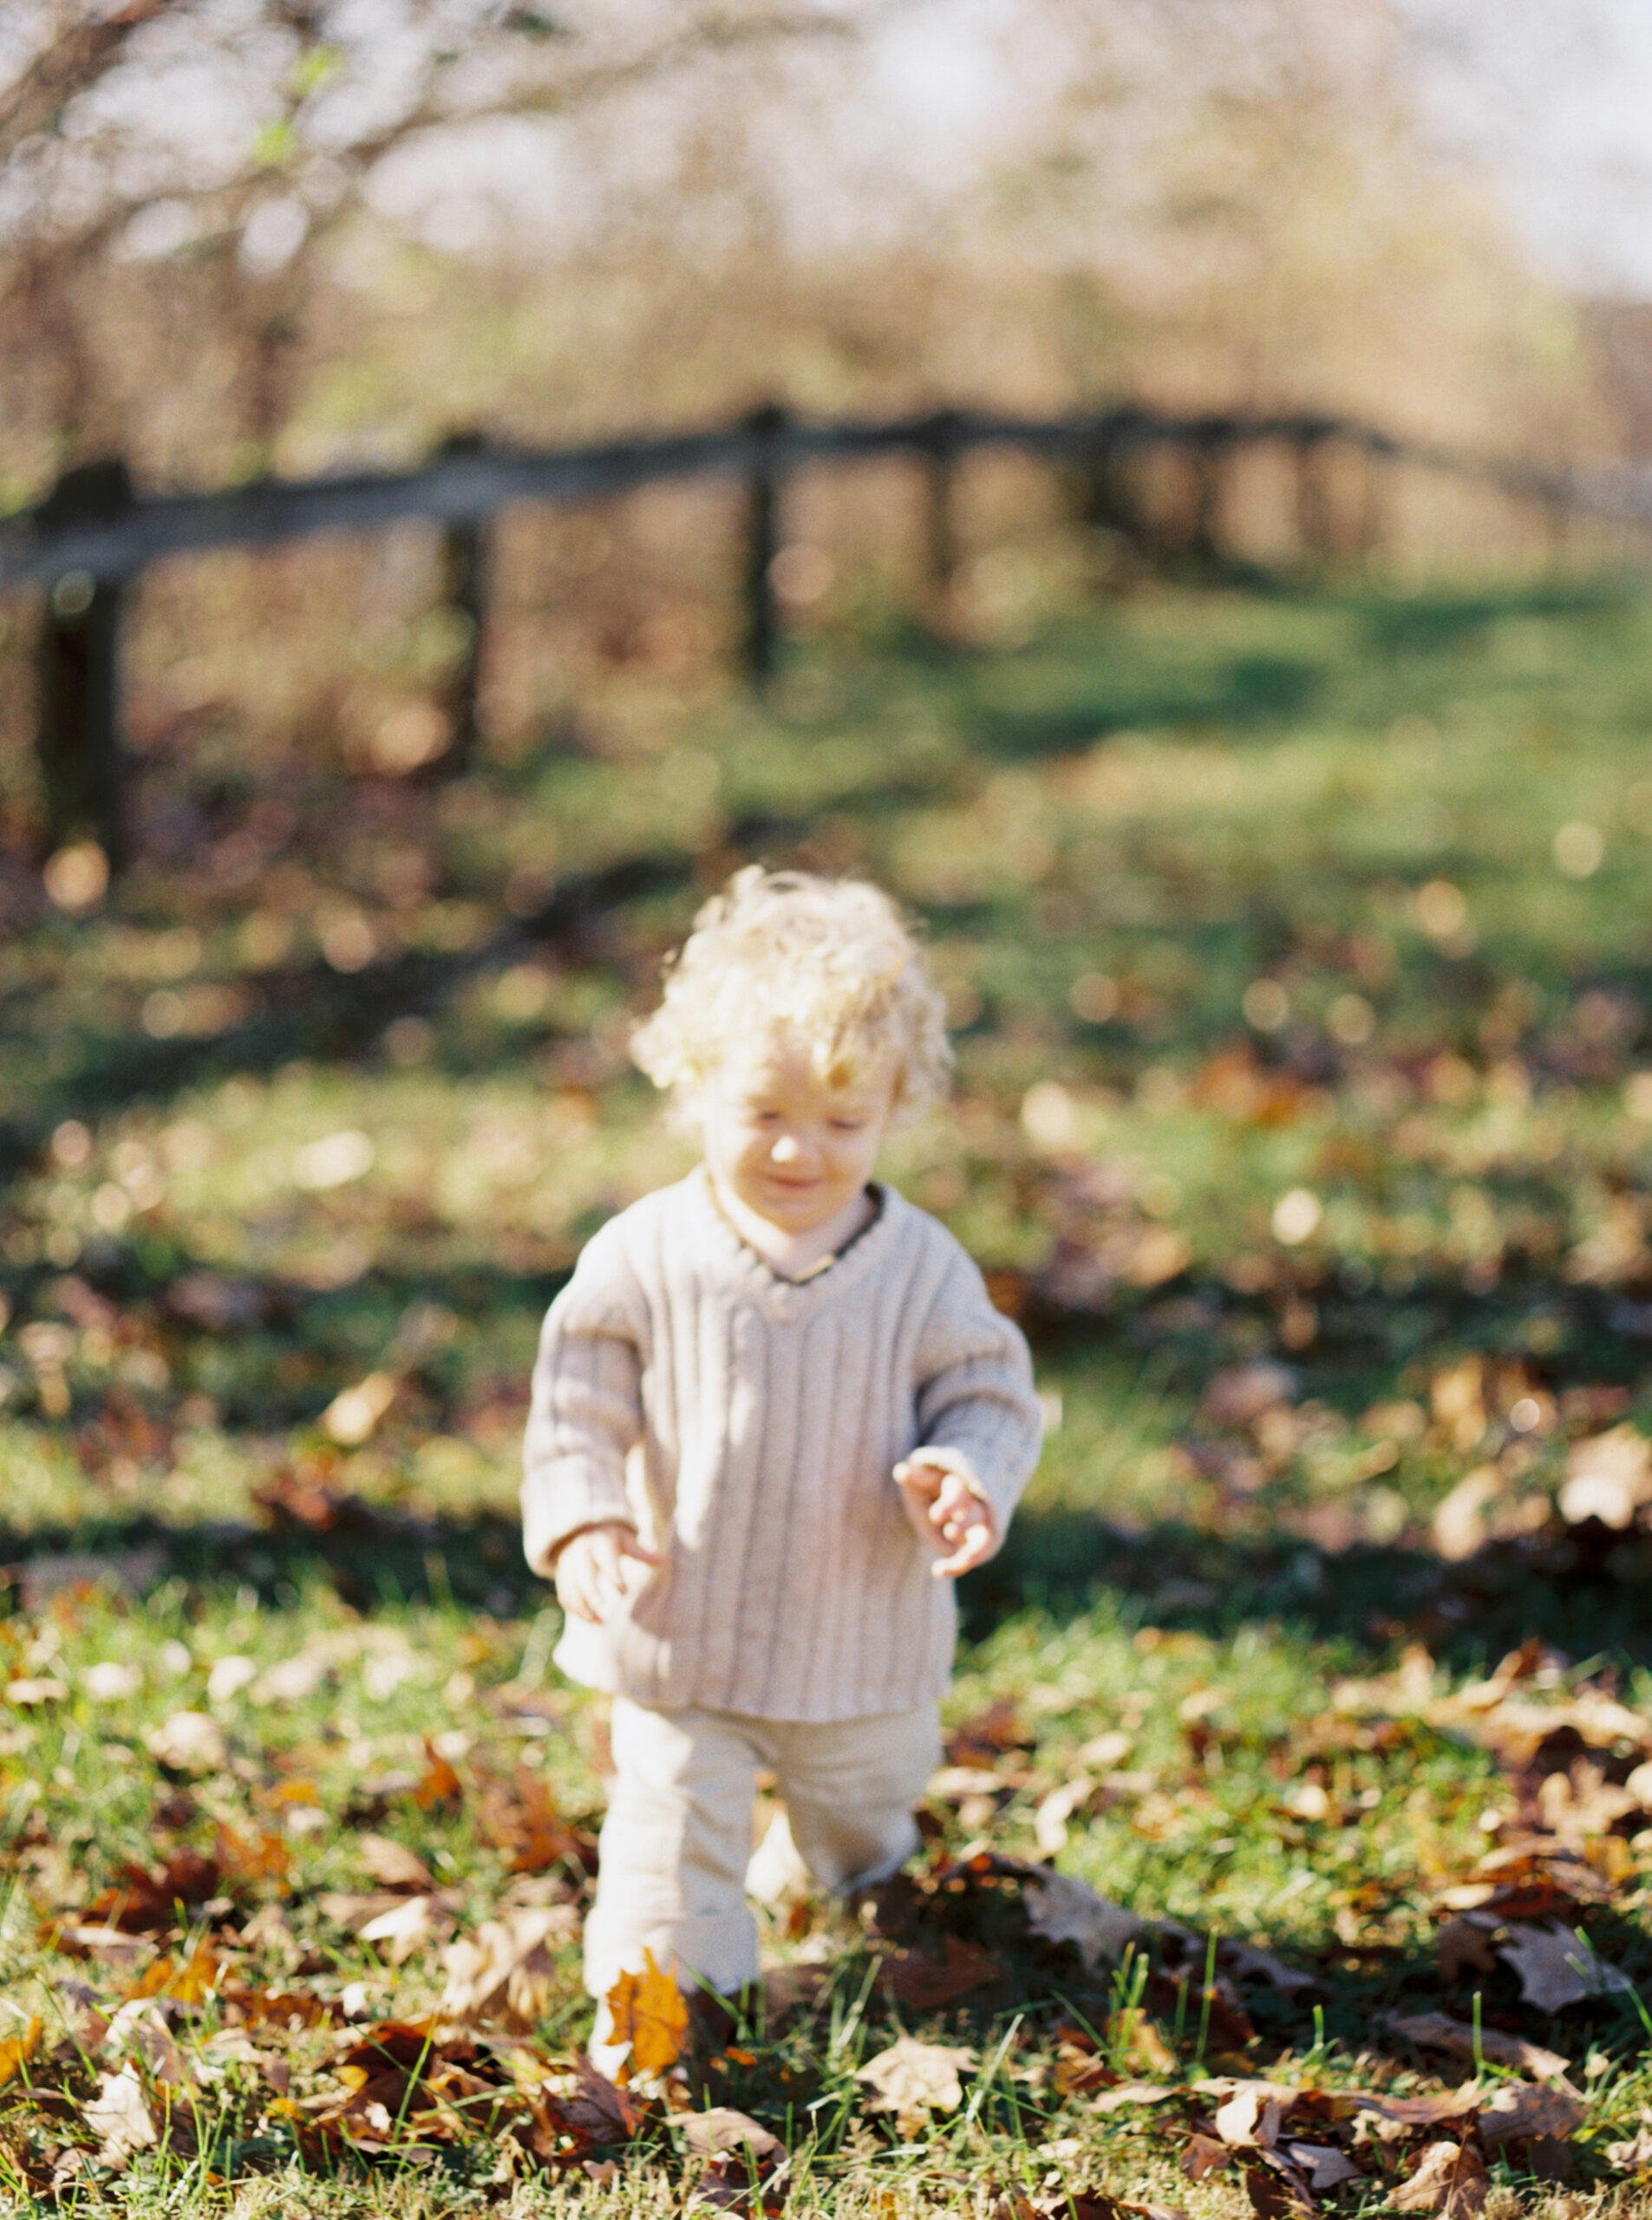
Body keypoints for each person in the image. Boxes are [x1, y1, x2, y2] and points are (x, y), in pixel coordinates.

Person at [521, 865, 1042, 2071]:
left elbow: (988, 1393)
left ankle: (830, 1877)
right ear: (693, 1085)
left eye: (843, 1123)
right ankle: (663, 2023)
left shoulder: (918, 1267)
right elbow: (574, 1404)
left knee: (866, 1814)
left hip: (859, 1633)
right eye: (761, 1112)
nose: (800, 1150)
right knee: (667, 1835)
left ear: (895, 1109)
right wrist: (587, 1519)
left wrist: (967, 1470)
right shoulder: (643, 1255)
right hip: (679, 1626)